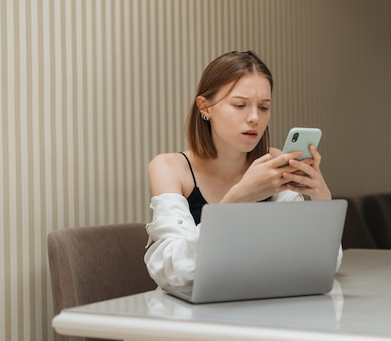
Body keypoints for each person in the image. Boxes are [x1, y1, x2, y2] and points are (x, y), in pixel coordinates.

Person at [144, 50, 339, 288]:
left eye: (264, 107)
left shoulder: (273, 162)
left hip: (262, 308)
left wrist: (322, 201)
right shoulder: (170, 168)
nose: (255, 118)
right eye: (240, 105)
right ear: (205, 107)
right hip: (190, 315)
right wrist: (239, 197)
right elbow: (169, 269)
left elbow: (322, 263)